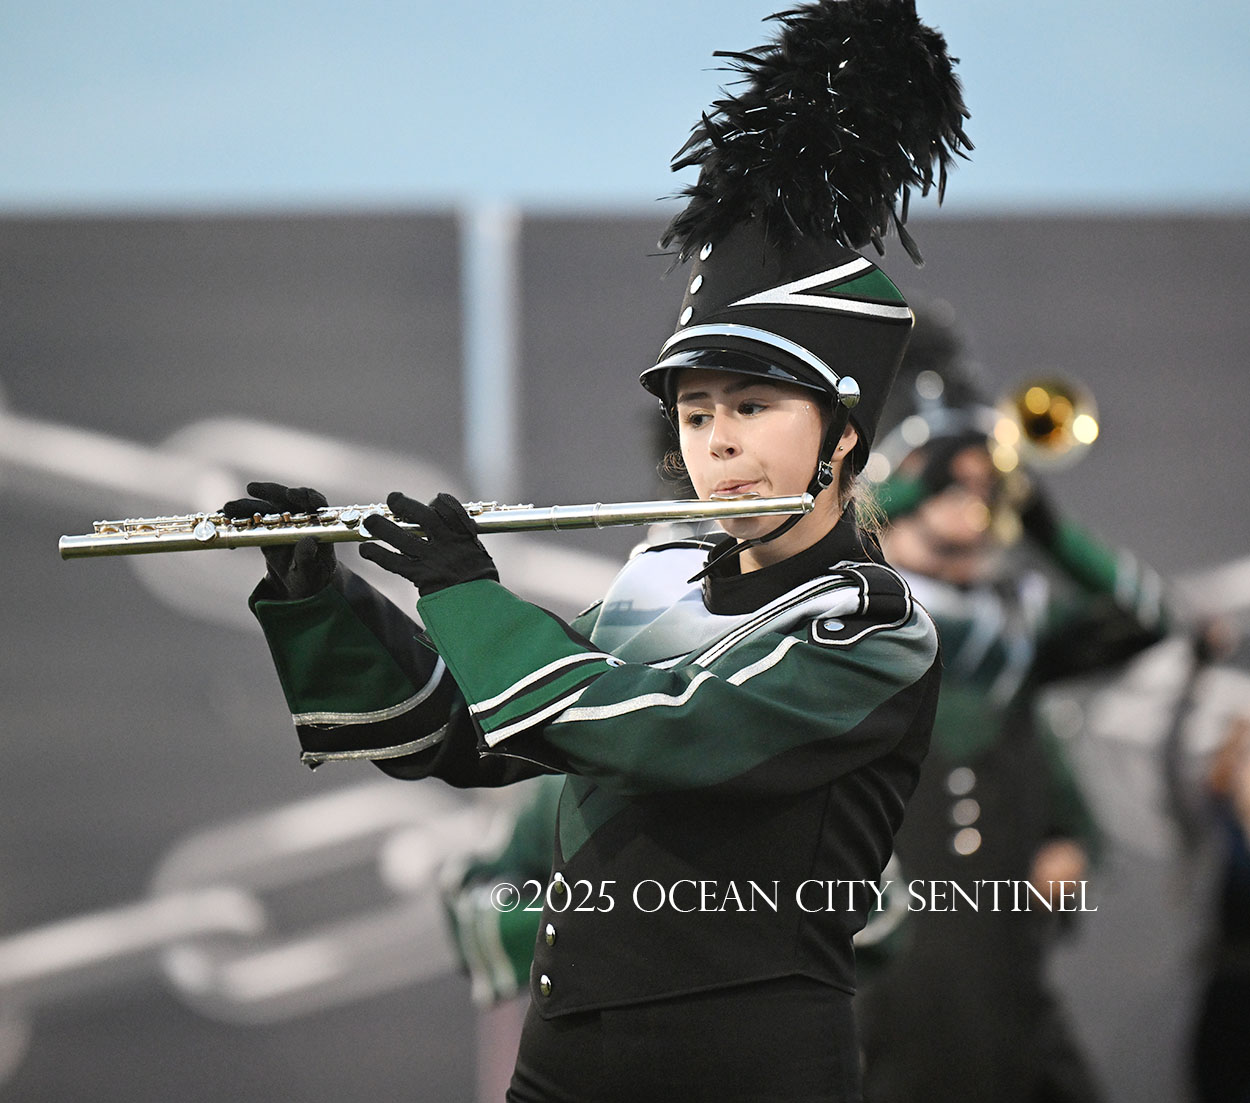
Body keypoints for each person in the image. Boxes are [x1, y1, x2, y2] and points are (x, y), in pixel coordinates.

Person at [226, 3, 969, 1098]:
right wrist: (321, 591)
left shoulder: (869, 625)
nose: (717, 441)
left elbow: (659, 730)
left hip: (747, 1063)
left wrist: (466, 590)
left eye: (753, 405)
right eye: (696, 411)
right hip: (566, 1050)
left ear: (842, 434)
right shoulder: (661, 576)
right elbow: (473, 731)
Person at [853, 306, 1170, 1103]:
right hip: (886, 996)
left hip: (1006, 982)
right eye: (943, 469)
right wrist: (914, 479)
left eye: (979, 474)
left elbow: (1143, 615)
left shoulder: (1015, 636)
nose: (971, 486)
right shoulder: (843, 624)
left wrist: (1039, 516)